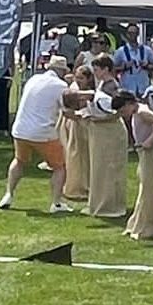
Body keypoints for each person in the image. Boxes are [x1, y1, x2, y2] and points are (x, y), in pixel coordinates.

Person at [0, 55, 93, 212]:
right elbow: (67, 111)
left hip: (20, 129)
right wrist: (84, 116)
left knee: (19, 160)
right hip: (42, 132)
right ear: (61, 71)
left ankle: (8, 194)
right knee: (60, 166)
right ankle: (56, 203)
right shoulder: (60, 85)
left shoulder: (34, 78)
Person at [111, 91, 153, 240]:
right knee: (144, 191)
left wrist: (149, 141)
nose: (123, 114)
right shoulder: (138, 112)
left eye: (123, 111)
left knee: (151, 193)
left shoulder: (142, 112)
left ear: (128, 104)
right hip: (144, 154)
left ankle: (149, 228)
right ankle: (137, 225)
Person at [86, 54, 129, 218]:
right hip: (102, 132)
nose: (95, 73)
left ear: (106, 69)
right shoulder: (103, 84)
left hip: (112, 132)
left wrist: (96, 119)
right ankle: (99, 201)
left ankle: (111, 204)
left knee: (110, 169)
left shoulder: (112, 86)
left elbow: (117, 112)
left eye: (97, 69)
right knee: (100, 168)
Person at [61, 65, 95, 202]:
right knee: (74, 156)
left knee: (86, 157)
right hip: (74, 126)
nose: (78, 80)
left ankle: (86, 186)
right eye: (77, 77)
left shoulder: (91, 93)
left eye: (81, 78)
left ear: (88, 79)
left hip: (86, 127)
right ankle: (74, 186)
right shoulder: (73, 89)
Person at [113, 24, 153, 98]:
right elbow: (113, 68)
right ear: (126, 34)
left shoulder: (146, 50)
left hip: (143, 86)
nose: (132, 35)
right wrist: (124, 67)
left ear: (138, 34)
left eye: (134, 33)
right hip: (127, 87)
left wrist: (147, 65)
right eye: (130, 33)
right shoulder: (120, 51)